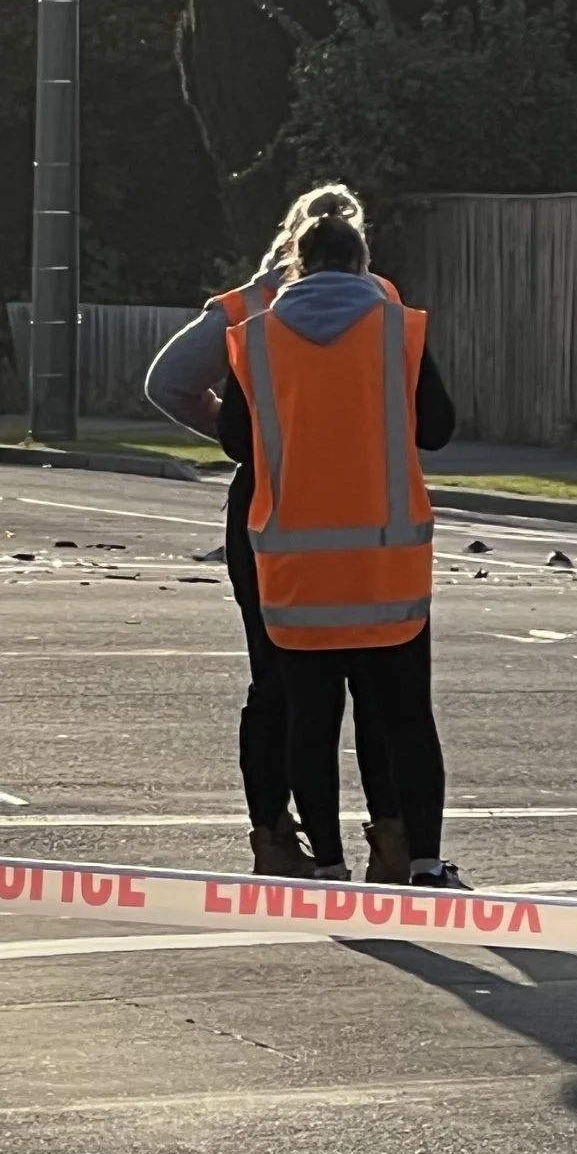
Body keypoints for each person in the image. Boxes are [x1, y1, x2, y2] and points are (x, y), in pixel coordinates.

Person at [146, 186, 411, 881]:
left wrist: (262, 439)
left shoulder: (247, 306)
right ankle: (394, 837)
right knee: (373, 683)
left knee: (277, 684)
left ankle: (277, 835)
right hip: (362, 506)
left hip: (266, 506)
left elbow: (168, 383)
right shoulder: (377, 300)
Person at [221, 211, 463, 889]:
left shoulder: (258, 341)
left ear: (295, 268)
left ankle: (326, 861)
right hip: (386, 563)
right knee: (406, 718)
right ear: (363, 265)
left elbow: (236, 441)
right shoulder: (396, 331)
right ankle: (421, 861)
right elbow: (439, 428)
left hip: (297, 567)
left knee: (309, 722)